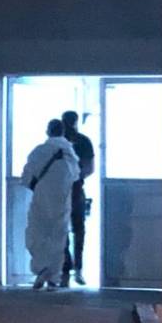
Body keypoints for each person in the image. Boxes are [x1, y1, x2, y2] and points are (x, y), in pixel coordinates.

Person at [23, 119, 80, 291]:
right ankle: (53, 276)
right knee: (58, 236)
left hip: (41, 198)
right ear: (63, 132)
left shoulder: (39, 151)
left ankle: (41, 269)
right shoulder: (70, 153)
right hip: (62, 200)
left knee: (37, 233)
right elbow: (75, 176)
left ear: (48, 131)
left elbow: (27, 176)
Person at [61, 110, 96, 286]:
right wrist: (77, 177)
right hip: (75, 189)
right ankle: (76, 269)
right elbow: (90, 168)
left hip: (62, 190)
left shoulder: (58, 142)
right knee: (78, 229)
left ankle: (67, 268)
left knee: (63, 229)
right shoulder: (83, 141)